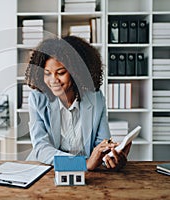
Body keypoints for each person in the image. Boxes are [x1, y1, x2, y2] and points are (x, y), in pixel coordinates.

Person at [25, 35, 131, 171]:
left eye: (61, 73)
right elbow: (42, 148)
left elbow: (101, 145)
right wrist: (83, 163)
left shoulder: (96, 98)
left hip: (89, 174)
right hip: (47, 170)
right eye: (47, 73)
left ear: (77, 72)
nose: (53, 80)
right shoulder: (37, 99)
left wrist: (111, 157)